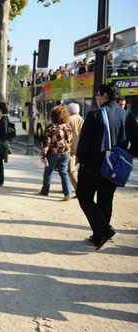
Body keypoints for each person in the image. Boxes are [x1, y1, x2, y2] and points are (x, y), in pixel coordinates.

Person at [76, 83, 138, 250]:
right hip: (115, 166)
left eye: (97, 95)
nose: (96, 99)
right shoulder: (127, 115)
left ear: (104, 96)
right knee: (106, 200)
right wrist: (127, 154)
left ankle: (105, 230)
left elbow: (84, 141)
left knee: (84, 196)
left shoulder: (95, 114)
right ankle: (98, 236)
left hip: (94, 164)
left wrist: (81, 159)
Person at [39, 105, 73, 201]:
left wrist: (43, 154)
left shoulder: (51, 128)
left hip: (53, 153)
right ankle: (68, 193)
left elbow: (47, 142)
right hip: (65, 153)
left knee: (48, 172)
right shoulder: (68, 127)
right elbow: (70, 140)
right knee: (63, 172)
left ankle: (45, 191)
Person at [67, 103, 84, 197]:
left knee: (71, 171)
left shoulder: (68, 120)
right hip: (81, 150)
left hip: (71, 150)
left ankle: (79, 191)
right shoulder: (82, 120)